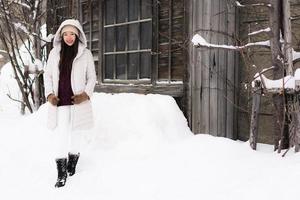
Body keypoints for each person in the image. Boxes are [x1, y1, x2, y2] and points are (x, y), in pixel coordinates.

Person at [44, 19, 96, 188]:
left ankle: (72, 163)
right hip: (60, 102)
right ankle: (61, 173)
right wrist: (50, 94)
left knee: (77, 134)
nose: (68, 37)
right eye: (65, 34)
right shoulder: (54, 53)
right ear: (61, 35)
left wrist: (85, 95)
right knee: (61, 135)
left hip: (78, 102)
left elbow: (92, 78)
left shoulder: (85, 54)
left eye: (72, 34)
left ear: (77, 35)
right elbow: (48, 76)